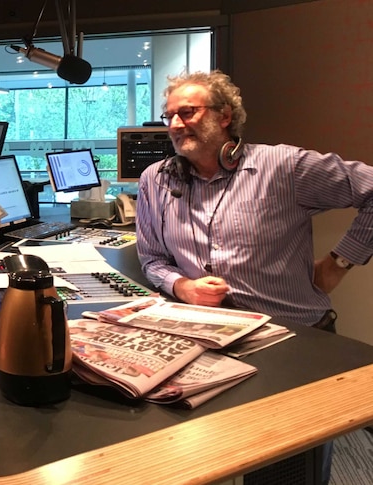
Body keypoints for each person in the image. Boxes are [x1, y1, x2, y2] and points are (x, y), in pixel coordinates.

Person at [135, 69, 373, 484]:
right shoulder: (156, 181)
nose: (174, 124)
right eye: (168, 116)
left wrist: (339, 262)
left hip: (295, 342)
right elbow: (152, 259)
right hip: (207, 346)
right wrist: (182, 286)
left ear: (225, 116)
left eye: (187, 112)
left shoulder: (285, 166)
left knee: (287, 471)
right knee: (205, 460)